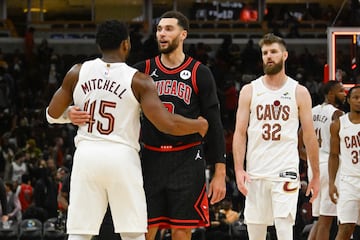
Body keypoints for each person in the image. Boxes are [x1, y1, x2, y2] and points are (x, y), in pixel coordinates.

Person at [45, 19, 208, 240]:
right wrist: (197, 125)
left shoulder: (77, 71)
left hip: (86, 156)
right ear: (126, 44)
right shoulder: (138, 80)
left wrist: (68, 115)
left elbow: (51, 114)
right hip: (121, 157)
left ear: (99, 45)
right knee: (132, 233)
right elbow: (167, 124)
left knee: (80, 233)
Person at [132, 11, 226, 240]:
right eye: (159, 29)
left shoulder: (200, 73)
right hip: (150, 158)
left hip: (187, 159)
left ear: (183, 34)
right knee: (144, 228)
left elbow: (213, 124)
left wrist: (220, 172)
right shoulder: (140, 71)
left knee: (182, 230)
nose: (162, 34)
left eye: (168, 29)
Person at [232, 33, 320, 240]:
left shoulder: (299, 91)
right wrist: (238, 169)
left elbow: (309, 136)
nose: (269, 56)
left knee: (284, 229)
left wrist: (315, 174)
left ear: (285, 55)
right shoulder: (249, 90)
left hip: (285, 170)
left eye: (273, 52)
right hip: (256, 171)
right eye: (265, 53)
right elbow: (240, 132)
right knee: (255, 233)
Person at [300, 80, 346, 240]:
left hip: (314, 166)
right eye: (341, 91)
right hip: (331, 166)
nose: (344, 94)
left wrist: (312, 159)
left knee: (320, 218)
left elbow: (298, 145)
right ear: (330, 94)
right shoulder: (337, 114)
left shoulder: (311, 112)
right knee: (327, 220)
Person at [329, 85, 360, 240]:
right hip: (348, 181)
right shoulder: (338, 124)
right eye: (355, 97)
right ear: (348, 100)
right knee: (346, 228)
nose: (359, 101)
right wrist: (331, 183)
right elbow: (333, 156)